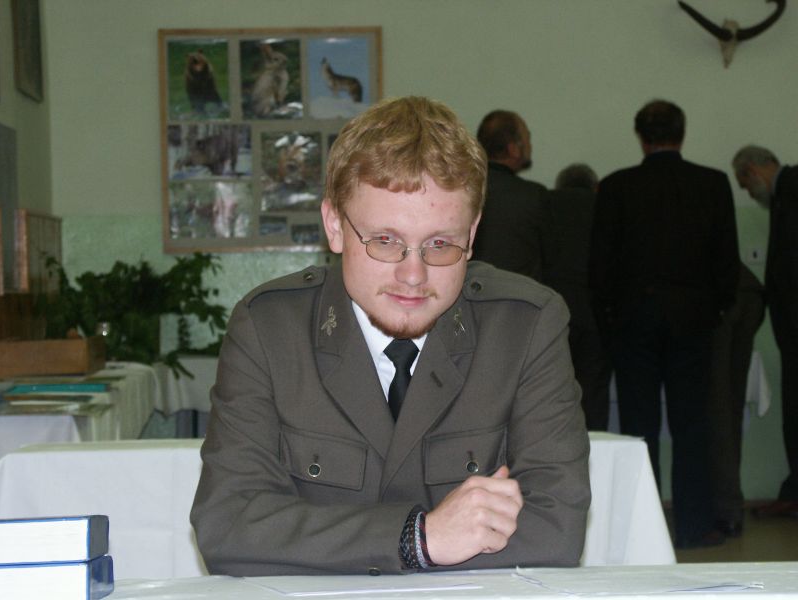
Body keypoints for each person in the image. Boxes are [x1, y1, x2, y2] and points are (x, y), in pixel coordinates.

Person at [191, 96, 591, 576]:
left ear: (472, 234)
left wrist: (325, 543)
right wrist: (417, 539)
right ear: (334, 226)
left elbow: (555, 530)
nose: (413, 275)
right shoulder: (271, 330)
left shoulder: (523, 327)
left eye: (440, 244)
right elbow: (228, 524)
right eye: (385, 241)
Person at [589, 100, 739, 548]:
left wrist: (610, 320)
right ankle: (694, 526)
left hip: (633, 320)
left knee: (639, 427)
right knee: (692, 425)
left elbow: (600, 265)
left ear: (641, 137)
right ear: (682, 133)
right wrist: (715, 310)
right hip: (692, 319)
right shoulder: (712, 183)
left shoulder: (616, 187)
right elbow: (726, 261)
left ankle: (641, 530)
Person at [732, 145, 798, 519]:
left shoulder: (793, 187)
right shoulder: (787, 192)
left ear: (754, 170)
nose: (747, 192)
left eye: (744, 183)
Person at [542, 164, 612, 430]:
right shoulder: (604, 206)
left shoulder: (546, 203)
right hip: (595, 312)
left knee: (550, 388)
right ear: (595, 186)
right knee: (594, 393)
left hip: (554, 310)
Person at [707, 262, 765, 536]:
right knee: (730, 407)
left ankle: (726, 508)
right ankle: (729, 507)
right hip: (749, 290)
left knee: (718, 406)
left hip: (719, 295)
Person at [471, 110, 549, 280]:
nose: (530, 146)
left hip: (467, 290)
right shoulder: (535, 196)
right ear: (513, 149)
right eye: (528, 139)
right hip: (519, 293)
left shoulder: (464, 190)